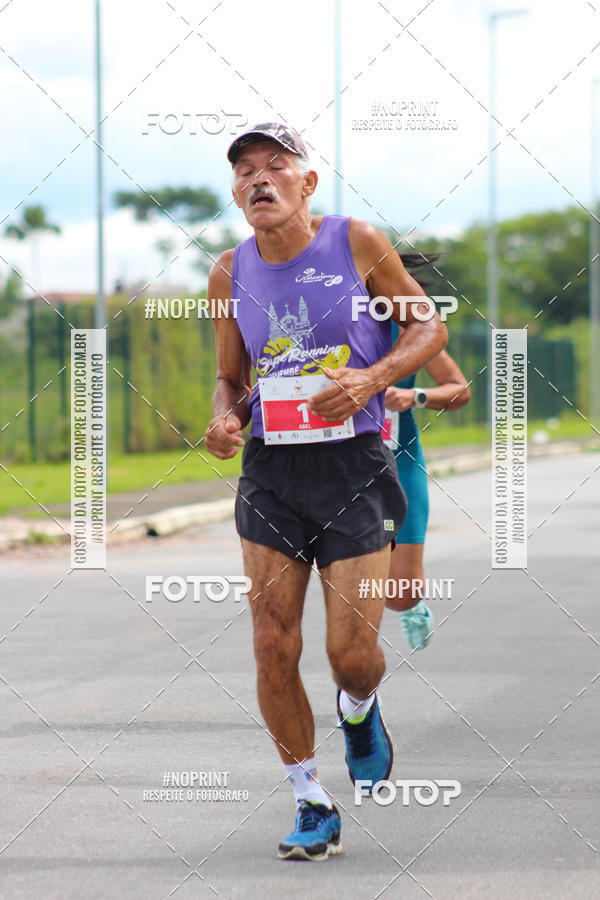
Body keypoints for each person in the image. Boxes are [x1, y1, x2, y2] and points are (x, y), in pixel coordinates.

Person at [205, 122, 447, 860]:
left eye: (275, 165)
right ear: (236, 193)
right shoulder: (228, 273)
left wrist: (373, 379)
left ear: (307, 183)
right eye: (245, 170)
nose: (259, 179)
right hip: (272, 472)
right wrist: (224, 418)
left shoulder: (357, 242)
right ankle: (310, 799)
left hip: (354, 468)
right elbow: (230, 378)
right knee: (271, 639)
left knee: (351, 653)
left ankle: (360, 707)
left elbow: (428, 329)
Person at [382, 339, 471, 649]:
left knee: (401, 593)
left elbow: (459, 390)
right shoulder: (323, 319)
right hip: (335, 462)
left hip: (397, 456)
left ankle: (410, 607)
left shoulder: (407, 326)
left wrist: (415, 396)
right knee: (345, 576)